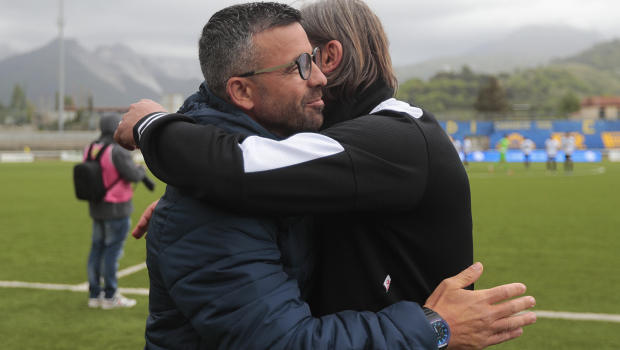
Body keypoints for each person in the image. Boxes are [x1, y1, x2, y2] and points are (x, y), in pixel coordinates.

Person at [116, 1, 535, 349]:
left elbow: (235, 170)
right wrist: (191, 202)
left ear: (331, 57)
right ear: (242, 89)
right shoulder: (332, 151)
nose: (315, 75)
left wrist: (153, 126)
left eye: (313, 58)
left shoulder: (391, 138)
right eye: (301, 63)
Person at [85, 113, 147, 309]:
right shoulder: (116, 150)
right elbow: (132, 174)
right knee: (112, 252)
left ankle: (95, 295)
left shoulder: (90, 148)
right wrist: (142, 171)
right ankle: (111, 297)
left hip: (96, 206)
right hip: (116, 207)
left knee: (97, 249)